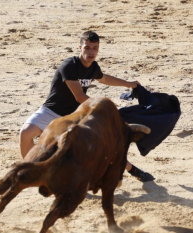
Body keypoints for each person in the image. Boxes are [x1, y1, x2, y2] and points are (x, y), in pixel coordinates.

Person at [19, 31, 154, 182]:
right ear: (80, 48)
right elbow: (80, 96)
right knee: (25, 133)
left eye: (95, 48)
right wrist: (105, 110)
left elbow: (103, 78)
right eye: (87, 48)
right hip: (52, 111)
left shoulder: (93, 67)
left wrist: (128, 83)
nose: (91, 52)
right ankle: (30, 170)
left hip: (74, 115)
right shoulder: (69, 66)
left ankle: (132, 169)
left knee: (103, 145)